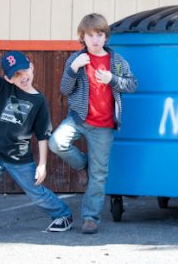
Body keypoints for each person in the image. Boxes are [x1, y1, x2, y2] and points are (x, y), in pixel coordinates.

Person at [49, 13, 137, 234]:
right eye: (90, 35)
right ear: (83, 37)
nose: (95, 39)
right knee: (56, 142)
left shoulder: (116, 61)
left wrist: (112, 79)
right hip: (79, 119)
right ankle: (82, 165)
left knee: (99, 175)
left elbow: (132, 85)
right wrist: (73, 68)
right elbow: (64, 89)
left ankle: (90, 217)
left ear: (106, 37)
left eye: (99, 34)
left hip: (104, 125)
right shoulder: (77, 59)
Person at [0, 51, 73, 232]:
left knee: (36, 192)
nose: (22, 77)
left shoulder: (39, 101)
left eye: (24, 70)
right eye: (15, 75)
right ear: (8, 78)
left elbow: (43, 135)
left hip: (19, 156)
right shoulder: (0, 87)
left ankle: (62, 214)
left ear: (31, 66)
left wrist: (42, 164)